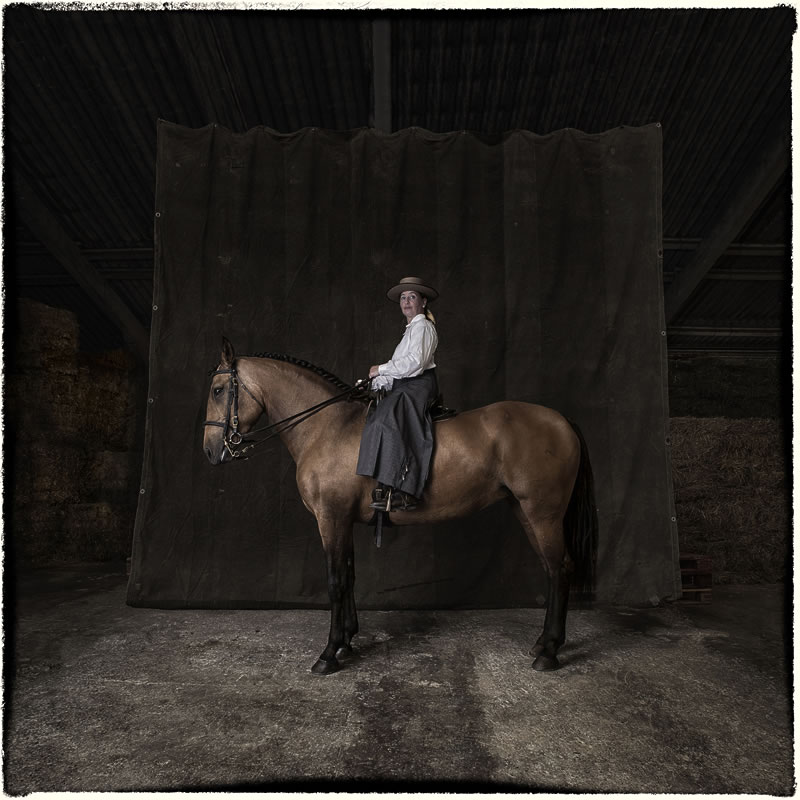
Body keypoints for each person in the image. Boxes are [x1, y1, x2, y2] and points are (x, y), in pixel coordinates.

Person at [356, 276, 440, 512]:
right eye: (403, 298)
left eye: (412, 297)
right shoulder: (409, 332)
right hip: (405, 383)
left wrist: (380, 369)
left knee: (388, 417)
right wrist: (371, 383)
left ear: (423, 302)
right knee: (377, 413)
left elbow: (415, 363)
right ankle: (384, 482)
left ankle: (405, 489)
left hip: (419, 385)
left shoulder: (423, 327)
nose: (406, 301)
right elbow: (396, 372)